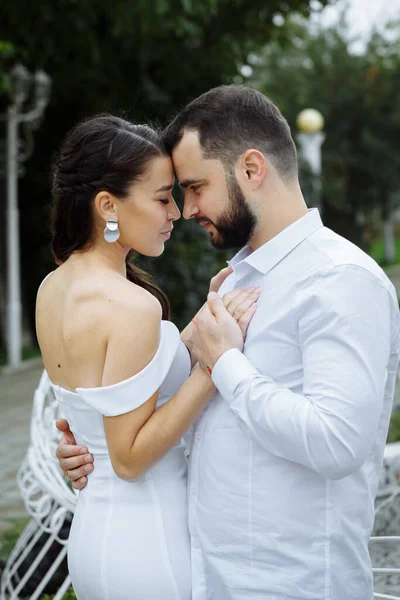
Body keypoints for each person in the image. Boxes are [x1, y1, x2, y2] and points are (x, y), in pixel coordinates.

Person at [57, 86, 400, 600]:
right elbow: (205, 425)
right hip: (208, 577)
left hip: (291, 587)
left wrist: (227, 367)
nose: (186, 208)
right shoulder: (235, 280)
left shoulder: (340, 279)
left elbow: (337, 442)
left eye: (195, 186)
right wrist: (94, 449)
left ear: (252, 169)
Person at [36, 114, 259, 600]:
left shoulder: (53, 288)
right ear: (107, 205)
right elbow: (131, 457)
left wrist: (200, 325)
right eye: (161, 199)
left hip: (96, 536)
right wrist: (214, 365)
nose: (176, 213)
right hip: (149, 544)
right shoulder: (130, 306)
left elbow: (118, 386)